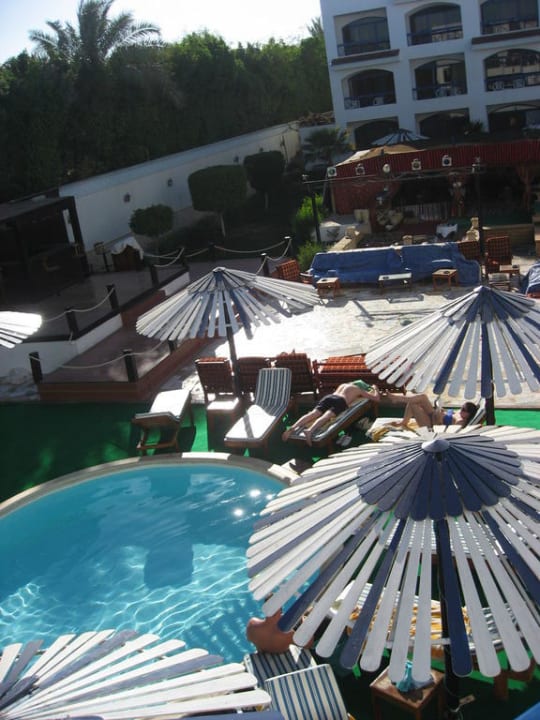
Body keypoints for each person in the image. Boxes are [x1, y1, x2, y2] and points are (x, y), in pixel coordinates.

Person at [282, 379, 380, 445]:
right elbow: (376, 398)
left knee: (313, 414)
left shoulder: (343, 385)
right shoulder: (358, 389)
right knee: (326, 416)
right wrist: (375, 389)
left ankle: (292, 427)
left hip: (329, 397)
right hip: (341, 401)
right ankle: (310, 431)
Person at [390, 395, 478, 429]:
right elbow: (448, 413)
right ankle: (397, 398)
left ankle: (403, 422)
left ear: (468, 414)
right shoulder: (459, 413)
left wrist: (440, 421)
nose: (461, 410)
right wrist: (442, 410)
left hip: (431, 425)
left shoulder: (460, 423)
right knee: (423, 397)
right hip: (434, 415)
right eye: (462, 407)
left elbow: (447, 433)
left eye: (464, 410)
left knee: (412, 405)